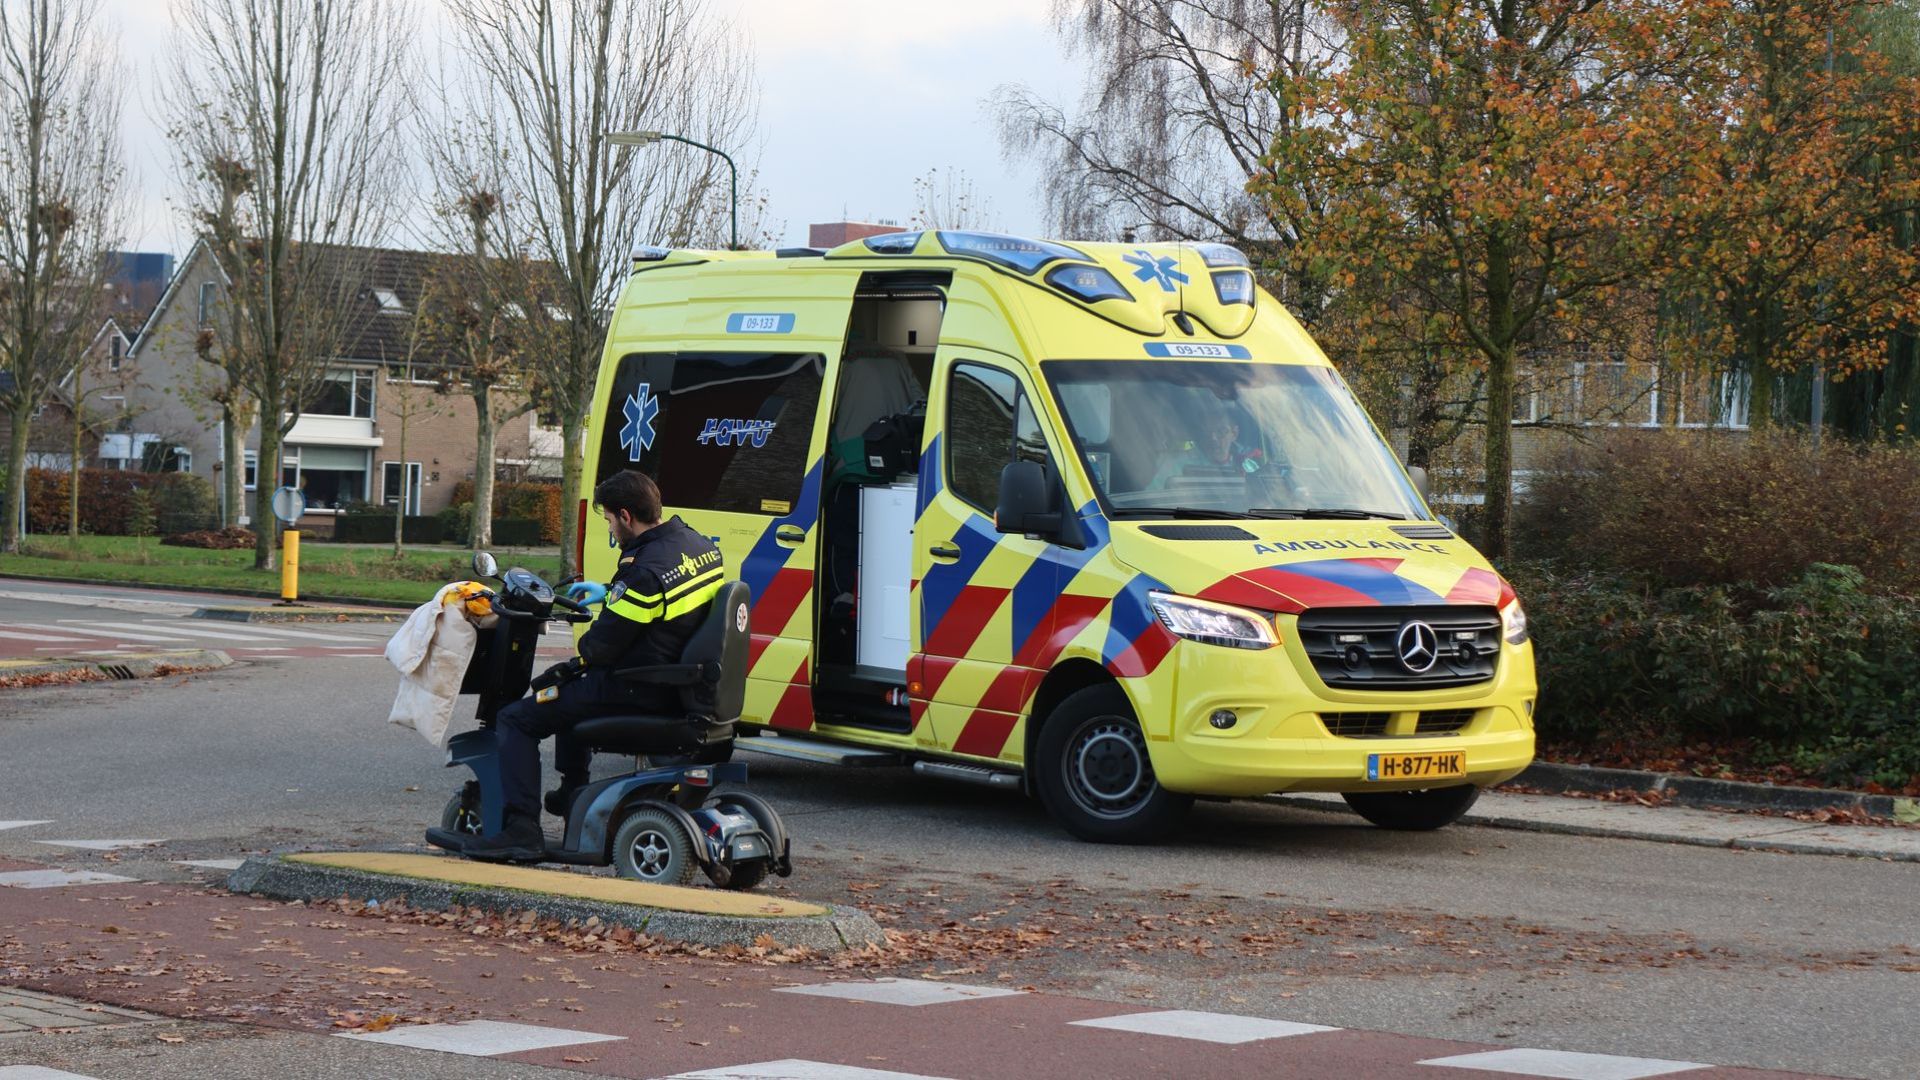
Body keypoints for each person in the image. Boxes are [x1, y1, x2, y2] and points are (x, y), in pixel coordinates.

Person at [463, 469, 725, 861]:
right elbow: (659, 605)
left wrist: (594, 628)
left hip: (640, 686)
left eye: (607, 520)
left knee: (518, 718)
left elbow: (600, 646)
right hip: (681, 679)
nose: (610, 528)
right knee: (567, 688)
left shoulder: (643, 572)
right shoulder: (697, 544)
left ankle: (521, 830)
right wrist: (608, 593)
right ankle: (573, 793)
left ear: (625, 515)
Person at [1148, 399, 1263, 490]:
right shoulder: (1176, 464)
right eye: (1207, 431)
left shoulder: (1249, 467)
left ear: (1234, 433)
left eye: (1221, 431)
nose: (1213, 438)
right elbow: (1150, 501)